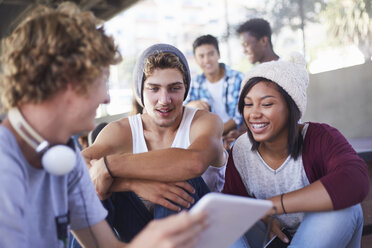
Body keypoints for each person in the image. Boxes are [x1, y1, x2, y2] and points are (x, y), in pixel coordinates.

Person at [0, 2, 207, 247]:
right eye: (103, 81)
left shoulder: (66, 155)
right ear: (68, 80)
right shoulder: (5, 163)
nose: (107, 97)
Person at [80, 43, 227, 242]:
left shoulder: (205, 121)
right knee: (91, 190)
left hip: (204, 234)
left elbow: (194, 163)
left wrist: (110, 166)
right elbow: (79, 169)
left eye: (174, 88)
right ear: (140, 91)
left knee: (181, 177)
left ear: (185, 89)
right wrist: (131, 184)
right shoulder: (121, 131)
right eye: (154, 89)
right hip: (142, 234)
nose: (164, 99)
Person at [224, 52, 369, 247]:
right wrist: (263, 214)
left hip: (321, 236)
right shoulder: (241, 149)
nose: (254, 114)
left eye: (266, 104)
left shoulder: (320, 137)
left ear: (292, 107)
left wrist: (273, 205)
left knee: (347, 207)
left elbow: (355, 179)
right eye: (248, 104)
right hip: (273, 237)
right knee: (222, 221)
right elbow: (232, 204)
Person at [185, 34, 244, 150]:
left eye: (211, 54)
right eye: (201, 56)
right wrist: (191, 105)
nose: (206, 60)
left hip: (234, 138)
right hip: (206, 140)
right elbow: (182, 111)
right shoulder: (195, 83)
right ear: (196, 59)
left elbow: (238, 117)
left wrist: (214, 134)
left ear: (218, 54)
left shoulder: (238, 78)